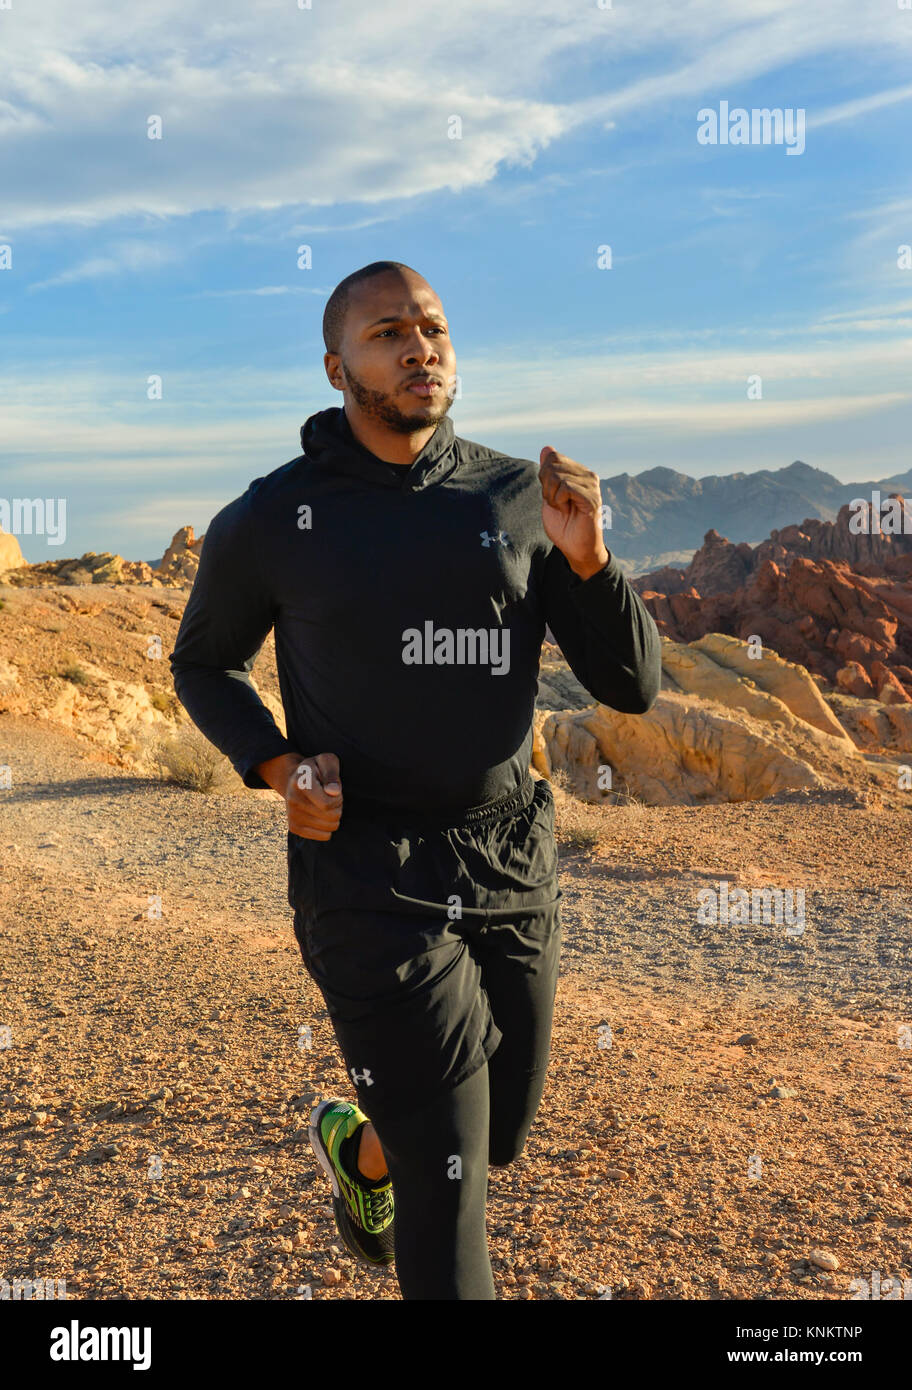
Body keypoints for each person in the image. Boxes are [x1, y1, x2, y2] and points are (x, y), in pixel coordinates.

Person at [169, 260, 661, 1300]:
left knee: (500, 1130)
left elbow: (632, 684)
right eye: (388, 332)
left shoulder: (517, 497)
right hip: (366, 870)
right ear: (337, 364)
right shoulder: (274, 518)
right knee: (451, 1186)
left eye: (431, 328)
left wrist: (589, 563)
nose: (418, 347)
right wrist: (274, 762)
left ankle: (362, 1153)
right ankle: (402, 1160)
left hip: (508, 849)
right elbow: (201, 661)